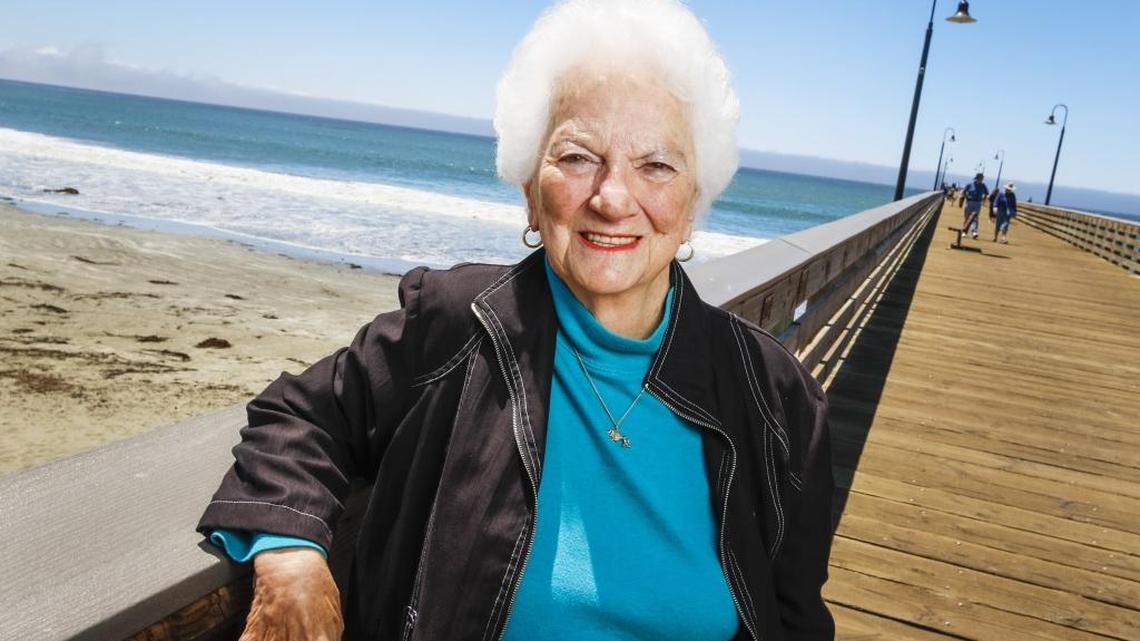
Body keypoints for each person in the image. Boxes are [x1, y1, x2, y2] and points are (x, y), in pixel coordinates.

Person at [197, 1, 836, 640]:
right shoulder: (457, 325)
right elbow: (301, 416)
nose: (612, 198)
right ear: (530, 186)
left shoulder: (775, 398)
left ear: (694, 203)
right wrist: (292, 559)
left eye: (657, 165)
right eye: (579, 156)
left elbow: (795, 618)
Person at [962, 173, 989, 238]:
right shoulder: (970, 185)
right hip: (969, 202)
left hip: (978, 203)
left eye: (982, 178)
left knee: (975, 217)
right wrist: (967, 197)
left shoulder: (983, 186)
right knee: (967, 217)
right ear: (977, 178)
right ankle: (964, 232)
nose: (981, 179)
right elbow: (964, 192)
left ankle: (974, 232)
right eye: (980, 178)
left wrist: (983, 200)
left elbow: (986, 193)